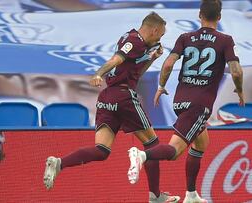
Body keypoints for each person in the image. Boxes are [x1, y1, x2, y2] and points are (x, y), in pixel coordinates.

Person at [43, 12, 180, 203]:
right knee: (152, 145)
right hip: (123, 96)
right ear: (155, 29)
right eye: (161, 35)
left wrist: (152, 59)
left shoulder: (128, 37)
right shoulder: (135, 41)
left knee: (102, 150)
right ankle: (155, 196)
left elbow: (134, 72)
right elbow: (115, 59)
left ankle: (59, 163)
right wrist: (98, 73)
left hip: (107, 96)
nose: (160, 39)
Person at [127, 1, 245, 202]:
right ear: (220, 16)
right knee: (173, 151)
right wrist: (240, 91)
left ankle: (191, 194)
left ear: (200, 15)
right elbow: (236, 70)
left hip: (181, 100)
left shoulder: (185, 37)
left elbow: (169, 64)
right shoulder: (225, 40)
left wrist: (161, 86)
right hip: (199, 104)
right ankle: (141, 155)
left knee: (201, 142)